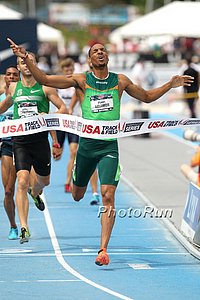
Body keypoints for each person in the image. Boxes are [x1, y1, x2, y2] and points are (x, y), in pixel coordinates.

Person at [8, 39, 194, 265]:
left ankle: (103, 249)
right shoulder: (82, 80)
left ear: (107, 56)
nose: (100, 53)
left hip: (108, 147)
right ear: (89, 59)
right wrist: (26, 58)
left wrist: (169, 84)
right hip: (87, 146)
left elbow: (146, 97)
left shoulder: (120, 81)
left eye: (103, 50)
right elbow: (46, 79)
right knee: (77, 195)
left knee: (108, 195)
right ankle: (77, 175)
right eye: (95, 51)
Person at [0, 51, 67, 244]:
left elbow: (64, 108)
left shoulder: (45, 88)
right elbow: (4, 106)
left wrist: (48, 117)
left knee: (43, 182)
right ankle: (24, 227)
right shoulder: (14, 88)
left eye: (30, 61)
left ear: (35, 64)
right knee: (21, 180)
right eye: (22, 62)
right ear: (19, 67)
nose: (26, 64)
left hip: (39, 141)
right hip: (19, 141)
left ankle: (35, 192)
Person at [54, 57, 100, 205]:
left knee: (74, 152)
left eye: (70, 69)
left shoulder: (76, 83)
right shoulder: (58, 84)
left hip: (73, 122)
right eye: (66, 69)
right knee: (57, 156)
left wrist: (71, 110)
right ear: (62, 70)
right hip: (60, 123)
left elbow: (74, 101)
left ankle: (69, 181)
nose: (68, 71)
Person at [0, 66, 20, 239]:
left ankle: (34, 193)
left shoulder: (23, 97)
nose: (12, 76)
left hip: (23, 143)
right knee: (7, 191)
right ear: (4, 78)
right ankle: (13, 226)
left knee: (32, 183)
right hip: (5, 144)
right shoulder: (0, 97)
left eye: (15, 74)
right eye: (9, 74)